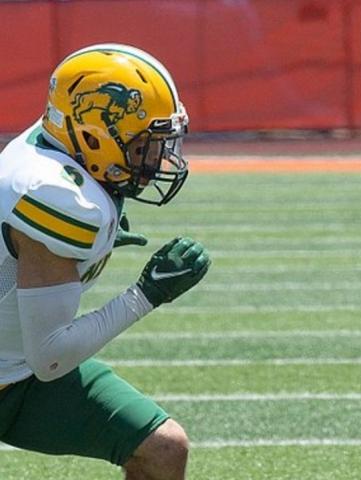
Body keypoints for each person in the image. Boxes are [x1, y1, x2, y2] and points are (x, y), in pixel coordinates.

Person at [0, 44, 210, 479]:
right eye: (144, 146)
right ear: (94, 137)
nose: (157, 160)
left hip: (14, 372)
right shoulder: (56, 197)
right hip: (28, 367)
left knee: (163, 449)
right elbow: (51, 357)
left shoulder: (56, 139)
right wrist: (147, 293)